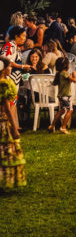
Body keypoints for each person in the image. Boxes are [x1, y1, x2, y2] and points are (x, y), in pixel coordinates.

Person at [0, 57, 26, 190]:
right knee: (6, 150)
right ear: (3, 69)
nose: (11, 68)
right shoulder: (3, 84)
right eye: (9, 66)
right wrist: (14, 127)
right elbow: (6, 108)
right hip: (2, 121)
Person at [48, 57, 76, 134]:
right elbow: (74, 80)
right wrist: (74, 75)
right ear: (66, 65)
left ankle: (52, 125)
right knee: (70, 110)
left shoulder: (59, 73)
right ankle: (63, 127)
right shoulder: (65, 73)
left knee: (61, 111)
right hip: (66, 96)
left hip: (61, 96)